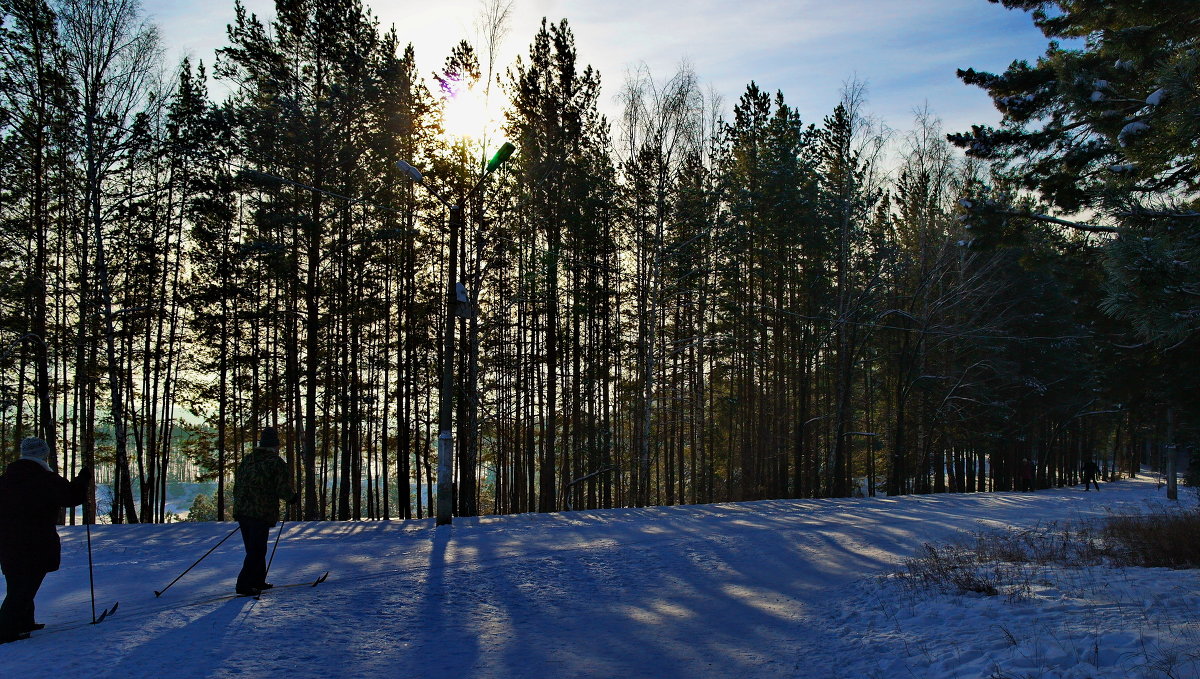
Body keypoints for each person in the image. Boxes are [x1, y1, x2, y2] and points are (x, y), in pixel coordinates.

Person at [0, 437, 91, 643]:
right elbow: (72, 497)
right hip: (36, 542)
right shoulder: (45, 479)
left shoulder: (6, 478)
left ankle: (24, 622)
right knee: (24, 587)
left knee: (17, 583)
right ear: (44, 455)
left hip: (7, 542)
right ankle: (5, 631)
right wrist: (83, 479)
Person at [232, 427, 297, 596]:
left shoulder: (249, 459)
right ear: (274, 446)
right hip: (260, 512)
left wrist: (241, 504)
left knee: (253, 548)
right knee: (257, 549)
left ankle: (257, 580)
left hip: (242, 510)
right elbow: (281, 487)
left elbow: (237, 484)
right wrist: (292, 498)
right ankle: (244, 584)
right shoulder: (275, 462)